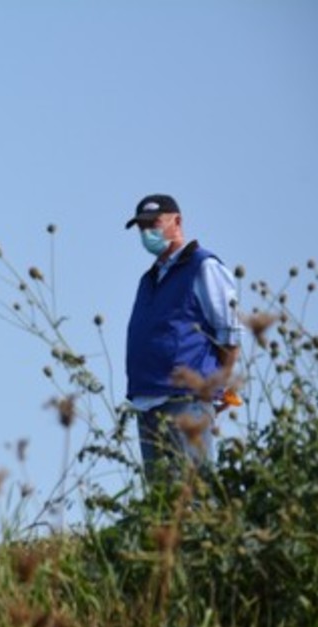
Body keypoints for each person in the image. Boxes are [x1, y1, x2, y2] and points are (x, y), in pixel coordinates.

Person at [123, 194, 243, 480]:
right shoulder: (149, 278)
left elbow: (229, 333)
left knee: (192, 489)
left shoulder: (203, 267)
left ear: (176, 221)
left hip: (186, 399)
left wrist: (219, 385)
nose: (147, 232)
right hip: (147, 400)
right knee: (160, 497)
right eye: (142, 227)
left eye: (154, 223)